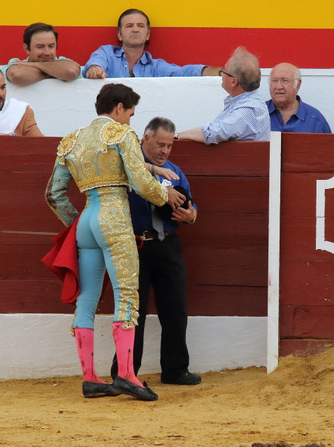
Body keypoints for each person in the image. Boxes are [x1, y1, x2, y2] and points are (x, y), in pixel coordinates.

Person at [44, 84, 186, 401]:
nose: (130, 123)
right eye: (130, 115)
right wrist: (166, 196)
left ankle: (90, 378)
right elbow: (139, 181)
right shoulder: (121, 135)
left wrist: (76, 225)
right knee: (126, 296)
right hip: (114, 217)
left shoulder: (71, 140)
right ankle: (126, 374)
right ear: (119, 108)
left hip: (87, 221)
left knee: (88, 298)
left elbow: (54, 195)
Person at [110, 117, 200, 385]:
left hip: (168, 244)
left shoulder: (174, 170)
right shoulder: (126, 164)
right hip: (134, 245)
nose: (165, 151)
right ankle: (125, 373)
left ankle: (175, 370)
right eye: (160, 144)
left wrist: (190, 216)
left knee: (175, 310)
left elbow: (192, 206)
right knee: (132, 312)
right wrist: (150, 170)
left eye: (169, 146)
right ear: (145, 139)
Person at [83, 8, 220, 78]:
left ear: (148, 35)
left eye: (141, 26)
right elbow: (96, 61)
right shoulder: (106, 53)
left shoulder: (156, 67)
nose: (135, 30)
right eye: (129, 26)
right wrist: (94, 68)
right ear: (119, 34)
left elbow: (183, 72)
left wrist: (217, 72)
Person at [176, 47, 270, 144]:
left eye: (223, 71)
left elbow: (214, 133)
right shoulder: (245, 102)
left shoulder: (249, 109)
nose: (220, 74)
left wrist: (177, 136)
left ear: (233, 82)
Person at [2, 22, 81, 86]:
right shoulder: (15, 62)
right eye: (40, 47)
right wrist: (56, 73)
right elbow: (17, 75)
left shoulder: (64, 61)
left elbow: (71, 72)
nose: (47, 52)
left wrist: (33, 65)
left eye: (51, 46)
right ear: (26, 48)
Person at [267, 62, 331, 133]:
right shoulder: (258, 114)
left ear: (297, 85)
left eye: (285, 81)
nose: (278, 87)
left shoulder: (315, 120)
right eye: (274, 81)